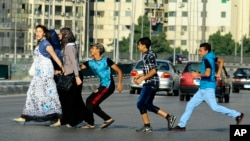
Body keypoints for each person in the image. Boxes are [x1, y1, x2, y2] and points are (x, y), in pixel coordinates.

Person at [171, 43, 244, 131]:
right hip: (202, 88)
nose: (199, 52)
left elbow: (207, 73)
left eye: (201, 51)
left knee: (215, 107)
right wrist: (218, 72)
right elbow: (221, 61)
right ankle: (181, 125)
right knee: (190, 104)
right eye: (199, 50)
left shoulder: (206, 59)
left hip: (208, 88)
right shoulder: (212, 57)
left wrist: (197, 74)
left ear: (206, 51)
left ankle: (237, 115)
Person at [13, 25, 64, 126]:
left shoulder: (46, 44)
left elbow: (55, 57)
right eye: (36, 31)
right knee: (32, 93)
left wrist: (63, 69)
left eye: (40, 31)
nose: (37, 33)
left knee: (49, 95)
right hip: (39, 73)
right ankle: (25, 116)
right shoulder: (39, 44)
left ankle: (58, 118)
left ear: (44, 33)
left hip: (45, 72)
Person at [134, 37, 176, 133]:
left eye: (139, 44)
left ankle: (147, 126)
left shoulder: (150, 55)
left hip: (151, 82)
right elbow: (148, 70)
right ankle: (169, 117)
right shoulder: (145, 55)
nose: (138, 46)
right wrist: (140, 75)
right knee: (148, 105)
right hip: (150, 82)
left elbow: (154, 70)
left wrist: (142, 79)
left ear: (144, 45)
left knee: (140, 104)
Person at [54, 27, 92, 127]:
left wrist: (77, 76)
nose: (59, 35)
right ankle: (73, 119)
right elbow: (68, 63)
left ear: (66, 35)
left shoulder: (69, 47)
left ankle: (85, 119)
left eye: (60, 34)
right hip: (69, 74)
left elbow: (74, 62)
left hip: (73, 76)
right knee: (71, 99)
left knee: (73, 99)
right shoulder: (68, 46)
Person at [80, 43, 123, 129]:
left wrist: (120, 83)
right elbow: (78, 68)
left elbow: (119, 71)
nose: (90, 50)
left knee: (91, 102)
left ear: (98, 50)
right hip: (102, 85)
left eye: (92, 48)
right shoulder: (90, 62)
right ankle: (107, 119)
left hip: (108, 85)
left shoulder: (106, 60)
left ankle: (90, 123)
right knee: (91, 102)